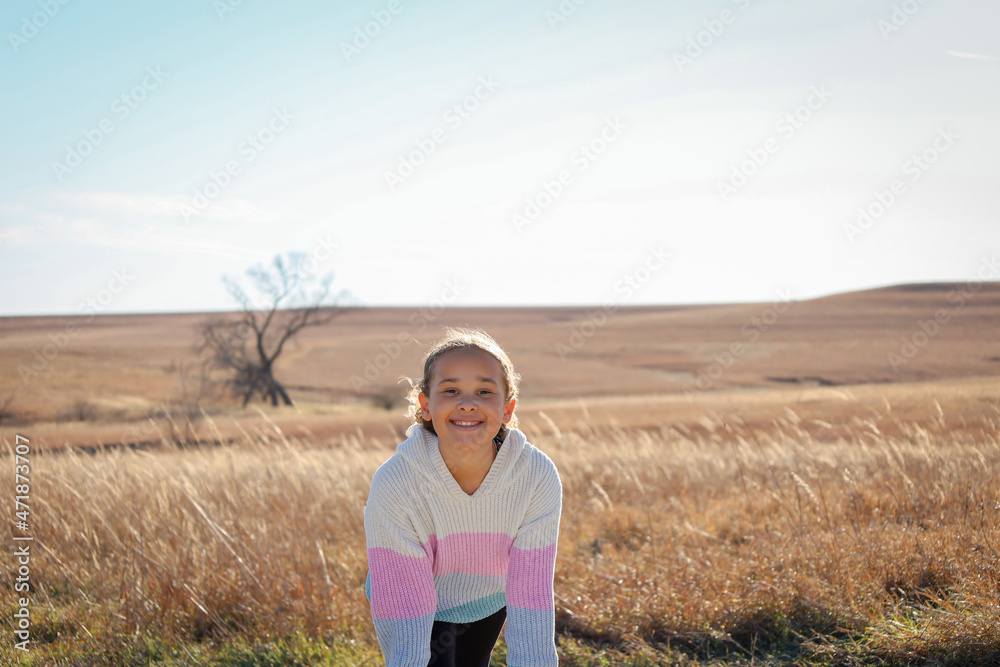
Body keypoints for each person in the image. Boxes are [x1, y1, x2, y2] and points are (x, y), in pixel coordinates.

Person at [363, 328, 562, 666]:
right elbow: (404, 604)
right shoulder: (396, 483)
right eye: (451, 390)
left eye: (484, 391)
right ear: (425, 405)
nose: (467, 403)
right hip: (411, 594)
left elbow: (531, 590)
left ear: (508, 408)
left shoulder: (535, 476)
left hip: (488, 597)